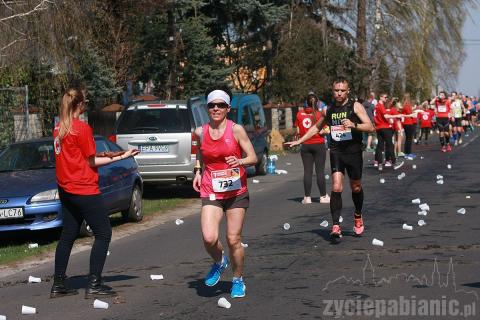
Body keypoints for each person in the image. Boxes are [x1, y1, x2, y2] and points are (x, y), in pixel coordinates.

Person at [51, 87, 139, 299]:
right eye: (86, 102)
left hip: (66, 188)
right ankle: (94, 283)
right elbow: (91, 162)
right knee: (103, 233)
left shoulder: (58, 129)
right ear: (80, 105)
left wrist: (109, 154)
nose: (86, 106)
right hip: (84, 188)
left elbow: (78, 157)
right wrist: (123, 156)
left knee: (68, 235)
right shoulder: (82, 128)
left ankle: (58, 283)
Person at [286, 77, 374, 239]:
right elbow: (316, 128)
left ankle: (358, 215)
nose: (339, 93)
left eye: (342, 90)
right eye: (336, 90)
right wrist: (299, 140)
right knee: (336, 187)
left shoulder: (355, 106)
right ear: (332, 91)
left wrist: (354, 125)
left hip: (353, 152)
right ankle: (335, 225)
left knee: (356, 187)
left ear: (348, 91)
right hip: (336, 152)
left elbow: (370, 126)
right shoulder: (328, 109)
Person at [192, 85, 257, 299]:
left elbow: (253, 157)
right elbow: (200, 154)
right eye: (212, 105)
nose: (216, 109)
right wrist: (198, 171)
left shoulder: (236, 129)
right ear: (207, 108)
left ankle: (238, 280)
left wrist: (239, 161)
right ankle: (220, 262)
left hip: (236, 191)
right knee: (209, 238)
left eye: (221, 105)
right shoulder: (200, 132)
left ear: (228, 108)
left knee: (232, 239)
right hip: (211, 188)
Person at [295, 93, 330, 204]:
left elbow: (298, 131)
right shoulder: (320, 114)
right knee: (320, 171)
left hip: (305, 145)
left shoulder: (299, 114)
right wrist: (323, 132)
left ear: (306, 102)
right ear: (318, 102)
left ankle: (307, 197)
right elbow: (326, 130)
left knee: (307, 171)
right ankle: (323, 196)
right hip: (319, 144)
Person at [373, 94, 403, 170]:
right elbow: (386, 116)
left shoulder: (376, 106)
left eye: (387, 97)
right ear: (381, 97)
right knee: (390, 145)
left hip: (378, 128)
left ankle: (379, 164)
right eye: (385, 97)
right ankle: (394, 163)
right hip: (385, 127)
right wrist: (395, 116)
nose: (386, 99)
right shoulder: (380, 105)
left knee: (380, 146)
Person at [401, 93, 416, 158]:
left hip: (405, 123)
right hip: (409, 123)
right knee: (409, 139)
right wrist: (414, 112)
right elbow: (410, 113)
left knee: (407, 139)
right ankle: (408, 153)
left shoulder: (403, 105)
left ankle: (407, 153)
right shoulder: (407, 105)